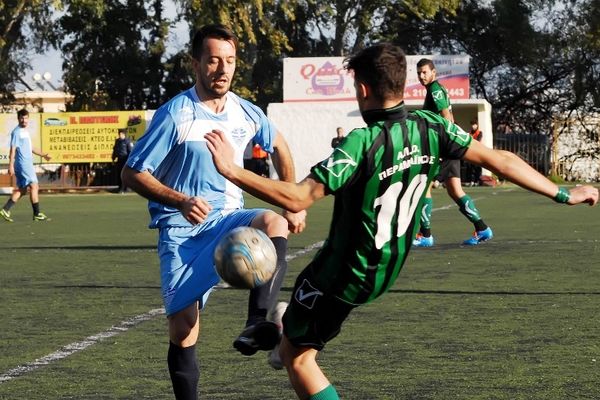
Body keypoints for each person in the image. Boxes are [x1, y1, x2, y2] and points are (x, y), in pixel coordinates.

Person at [205, 43, 598, 400]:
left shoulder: (362, 142)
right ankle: (283, 326)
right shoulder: (433, 126)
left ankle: (285, 335)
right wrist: (563, 193)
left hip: (342, 274)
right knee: (297, 329)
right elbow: (501, 159)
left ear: (362, 89)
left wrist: (231, 170)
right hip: (387, 269)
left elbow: (298, 196)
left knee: (298, 361)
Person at [121, 24, 306, 400]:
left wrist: (289, 201)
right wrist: (181, 200)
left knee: (273, 220)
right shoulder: (176, 114)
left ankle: (258, 322)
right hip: (181, 231)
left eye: (230, 61)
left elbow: (281, 148)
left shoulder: (245, 112)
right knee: (184, 329)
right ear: (196, 63)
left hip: (227, 221)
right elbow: (131, 173)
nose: (222, 69)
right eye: (213, 61)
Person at [413, 58, 493, 247]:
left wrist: (443, 145)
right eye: (419, 73)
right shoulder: (434, 90)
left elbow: (447, 117)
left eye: (424, 72)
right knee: (455, 191)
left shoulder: (434, 89)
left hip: (444, 147)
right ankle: (482, 228)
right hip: (449, 147)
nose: (421, 76)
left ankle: (425, 235)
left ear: (434, 72)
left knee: (423, 186)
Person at [0, 109, 51, 222]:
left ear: (28, 119)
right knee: (34, 186)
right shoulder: (17, 132)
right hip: (23, 164)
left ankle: (5, 209)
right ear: (18, 119)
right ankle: (37, 213)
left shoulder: (25, 131)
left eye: (26, 118)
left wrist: (44, 155)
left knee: (23, 190)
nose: (24, 120)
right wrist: (11, 165)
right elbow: (12, 149)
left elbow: (30, 148)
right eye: (22, 118)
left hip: (25, 164)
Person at [112, 128, 133, 193]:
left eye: (121, 133)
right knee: (119, 174)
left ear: (124, 134)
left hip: (125, 160)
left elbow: (130, 151)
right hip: (119, 160)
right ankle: (120, 187)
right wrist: (113, 158)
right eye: (119, 133)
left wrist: (129, 161)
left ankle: (126, 188)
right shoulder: (117, 141)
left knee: (125, 174)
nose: (119, 135)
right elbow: (115, 150)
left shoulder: (128, 141)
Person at [464, 119, 483, 186]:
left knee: (477, 167)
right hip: (471, 152)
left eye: (474, 125)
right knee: (470, 167)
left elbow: (478, 141)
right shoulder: (470, 133)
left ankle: (477, 181)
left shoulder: (479, 133)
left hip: (477, 152)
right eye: (472, 125)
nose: (473, 126)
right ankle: (471, 181)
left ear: (477, 125)